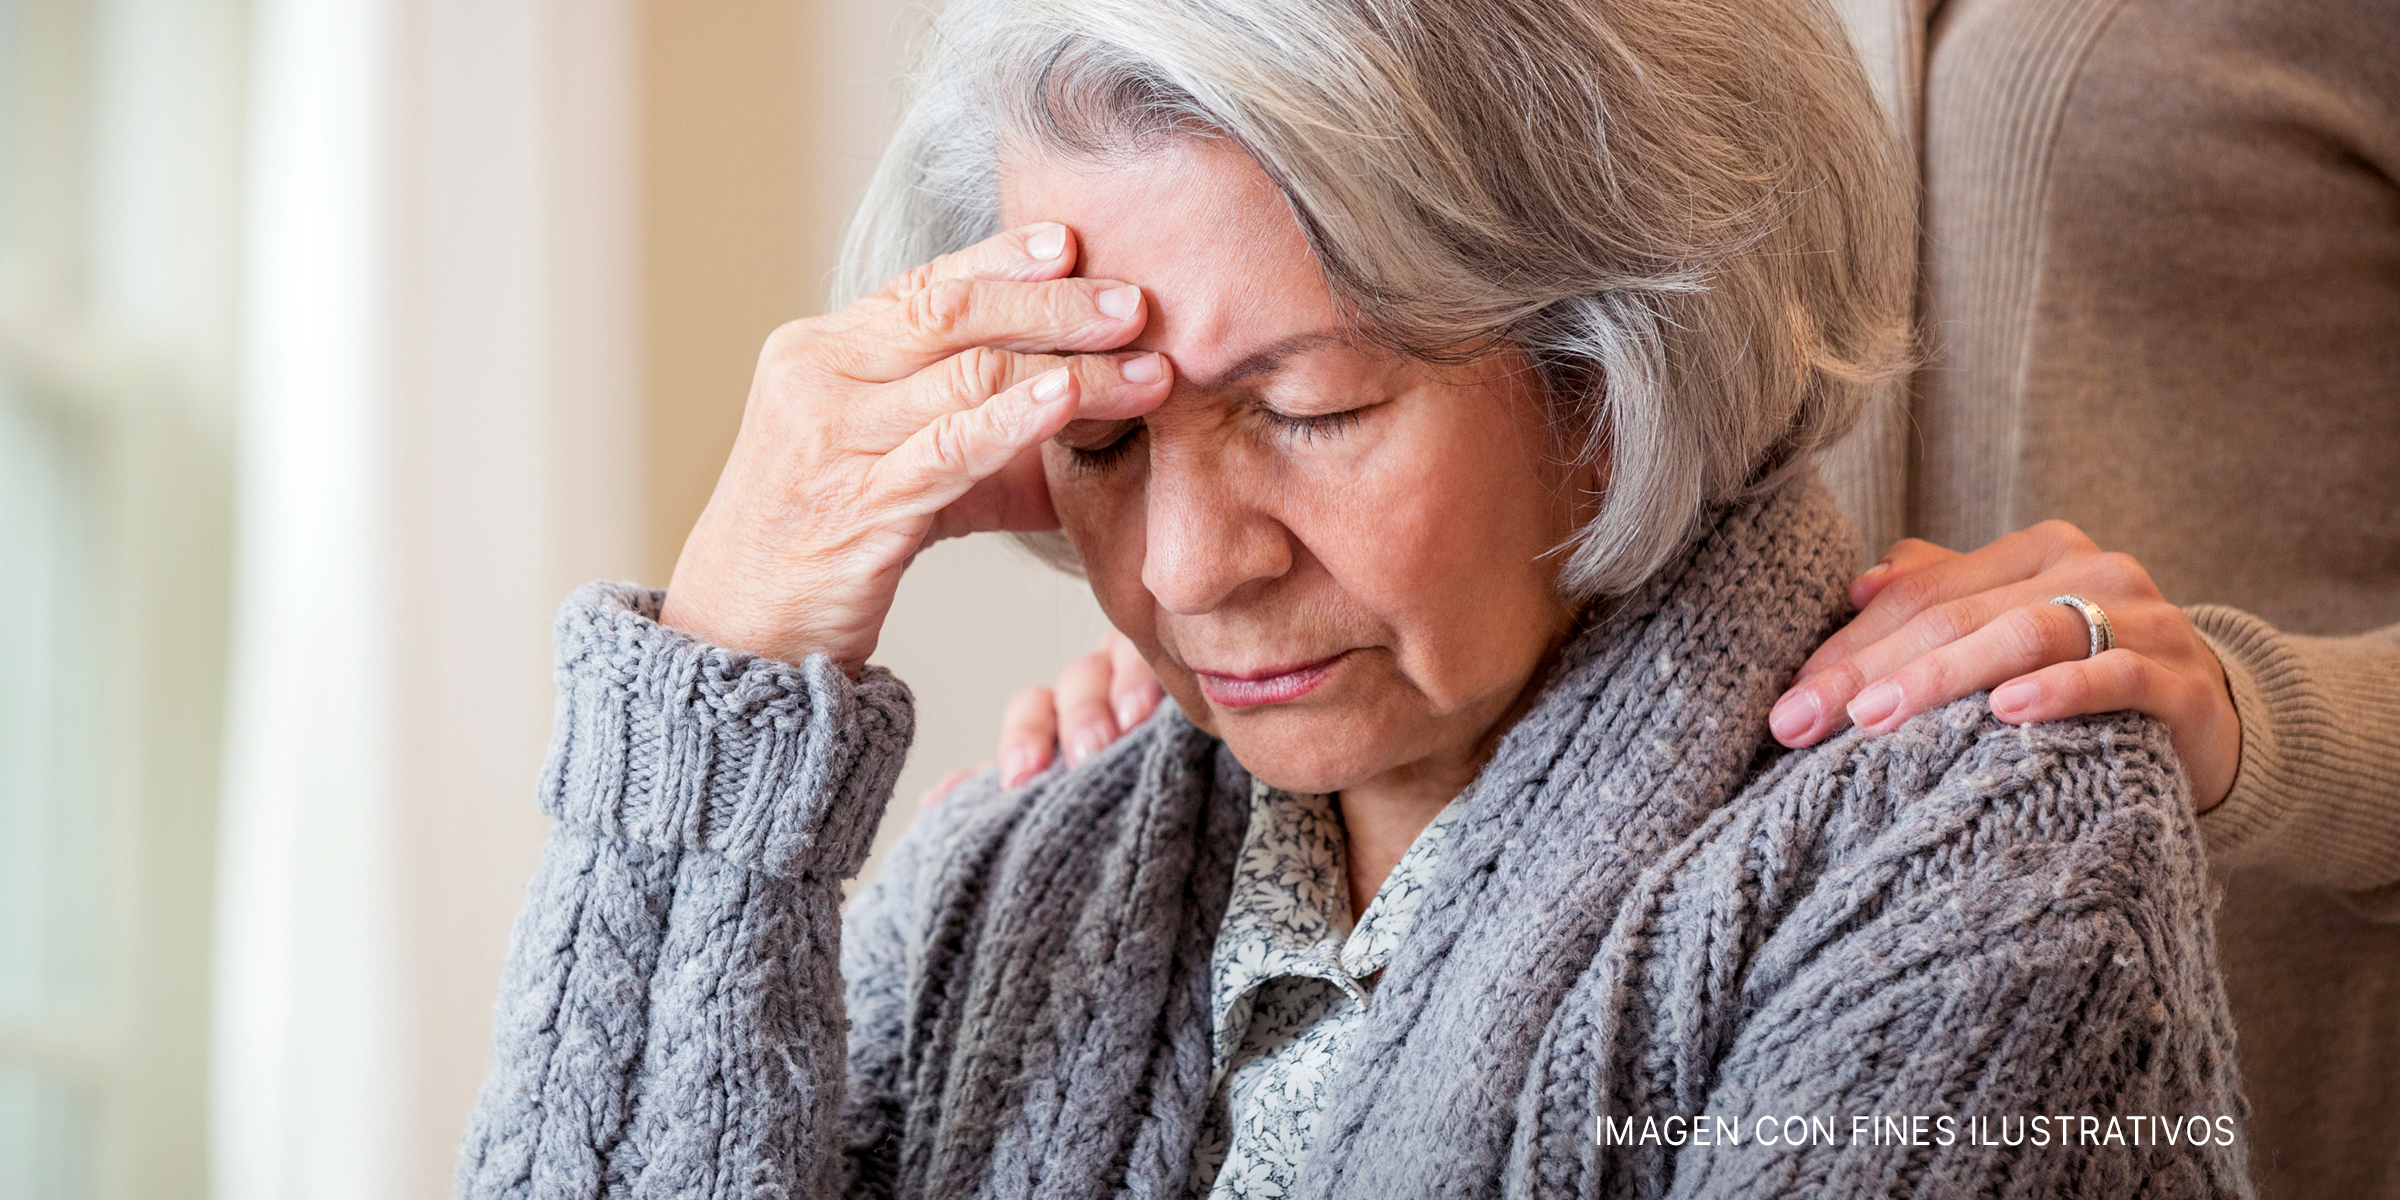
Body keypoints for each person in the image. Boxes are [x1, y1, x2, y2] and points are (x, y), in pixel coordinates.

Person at [454, 0, 2255, 1196]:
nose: (1184, 568)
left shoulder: (1988, 874)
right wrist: (724, 697)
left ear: (1614, 365)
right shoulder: (1006, 884)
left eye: (1309, 413)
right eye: (1100, 441)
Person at [985, 1, 2400, 1194]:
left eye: (1317, 406)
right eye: (1104, 443)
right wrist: (1233, 675)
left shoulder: (2021, 845)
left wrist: (2251, 726)